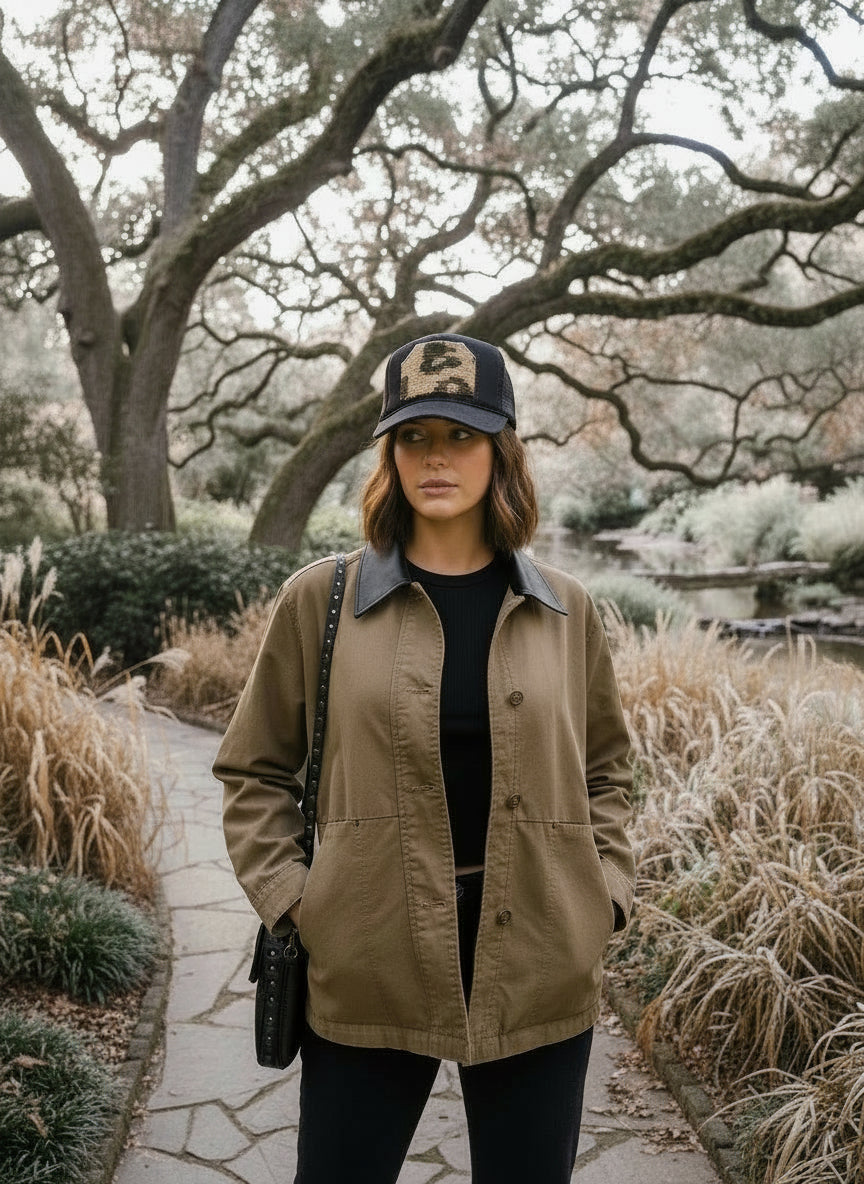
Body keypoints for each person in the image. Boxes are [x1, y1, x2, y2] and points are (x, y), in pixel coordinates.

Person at [213, 332, 635, 1184]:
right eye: (414, 436)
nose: (435, 457)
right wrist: (300, 906)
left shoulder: (567, 610)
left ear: (500, 450)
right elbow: (252, 771)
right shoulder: (321, 601)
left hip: (541, 963)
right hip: (368, 959)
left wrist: (607, 897)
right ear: (389, 454)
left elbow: (609, 771)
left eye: (461, 436)